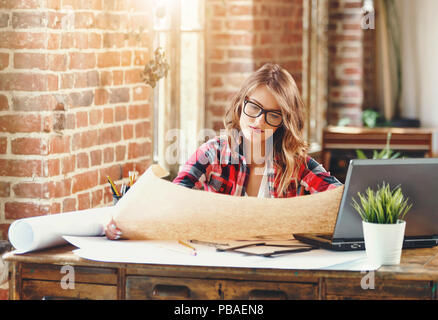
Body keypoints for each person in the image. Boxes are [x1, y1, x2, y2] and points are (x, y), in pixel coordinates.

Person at [105, 63, 342, 240]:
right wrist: (123, 223)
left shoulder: (296, 164)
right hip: (216, 266)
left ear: (284, 121)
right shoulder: (212, 155)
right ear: (241, 104)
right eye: (254, 108)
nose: (259, 121)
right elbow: (172, 202)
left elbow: (342, 200)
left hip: (281, 270)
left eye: (273, 114)